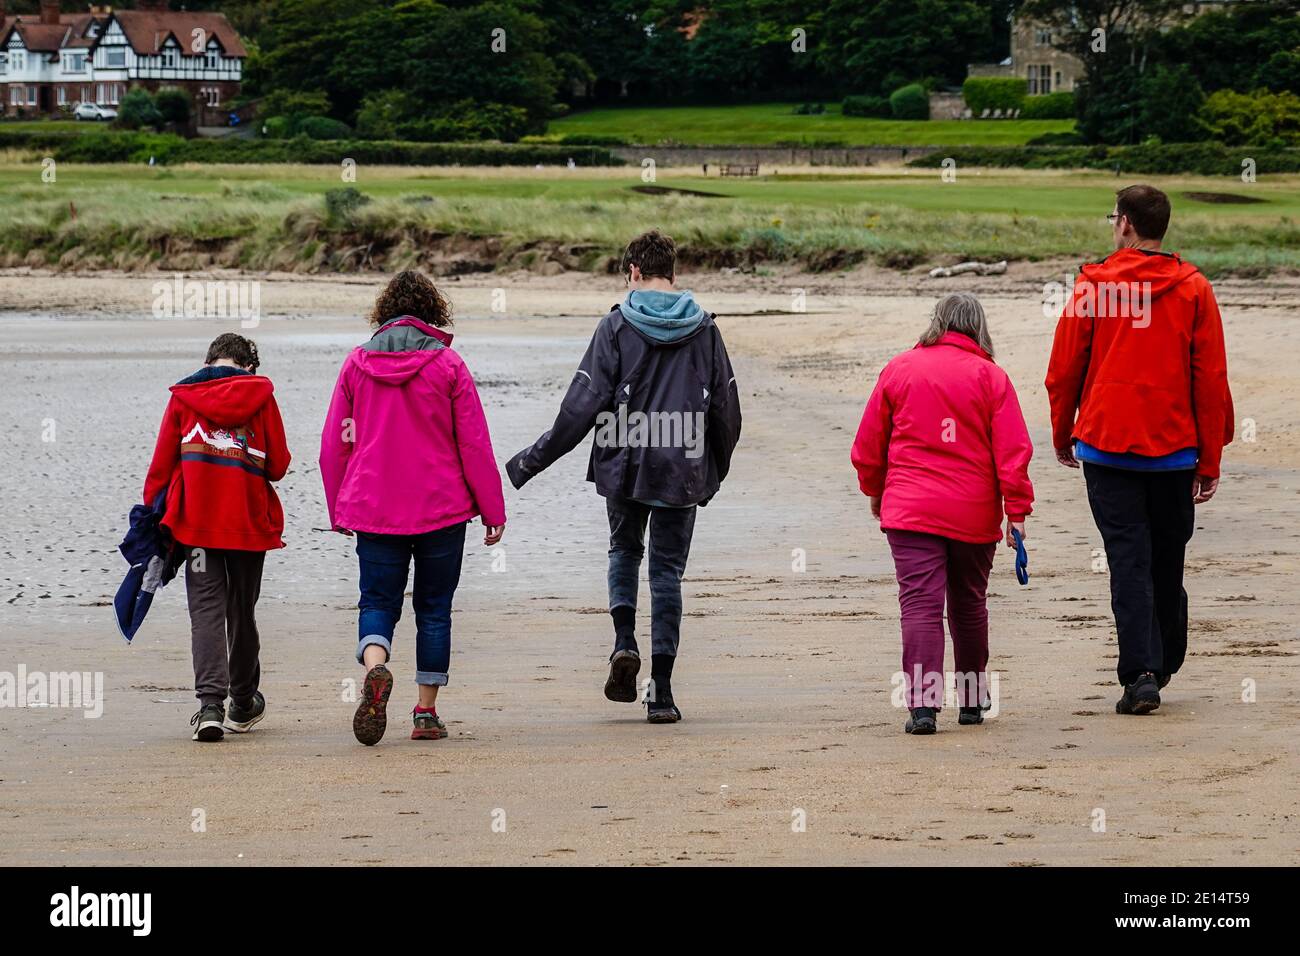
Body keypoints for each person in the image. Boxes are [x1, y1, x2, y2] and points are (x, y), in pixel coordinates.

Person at [506, 230, 742, 723]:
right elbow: (726, 412)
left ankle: (623, 641)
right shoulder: (706, 331)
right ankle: (663, 692)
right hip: (683, 464)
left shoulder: (615, 327)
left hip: (625, 464)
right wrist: (712, 472)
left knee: (624, 551)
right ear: (672, 274)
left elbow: (580, 408)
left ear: (633, 271)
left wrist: (529, 462)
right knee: (667, 574)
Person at [1046, 184, 1232, 716]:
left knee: (1129, 563)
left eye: (1113, 218)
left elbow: (1063, 373)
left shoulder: (1094, 287)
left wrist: (1064, 433)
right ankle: (1158, 662)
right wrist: (1211, 457)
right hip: (1173, 449)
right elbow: (1210, 378)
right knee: (1166, 559)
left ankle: (1144, 672)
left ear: (1125, 223)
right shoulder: (1194, 288)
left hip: (1108, 447)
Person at [320, 271, 506, 746]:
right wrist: (492, 509)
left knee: (377, 601)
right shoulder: (449, 366)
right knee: (435, 610)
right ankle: (425, 713)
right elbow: (474, 444)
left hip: (374, 506)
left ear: (383, 314)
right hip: (441, 508)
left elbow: (334, 444)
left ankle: (377, 668)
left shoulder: (355, 365)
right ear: (432, 314)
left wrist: (338, 506)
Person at [852, 293, 1033, 735]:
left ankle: (922, 706)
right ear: (979, 329)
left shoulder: (900, 369)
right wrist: (1017, 511)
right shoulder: (991, 377)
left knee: (920, 605)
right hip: (972, 512)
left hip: (910, 508)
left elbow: (868, 444)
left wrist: (875, 490)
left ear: (937, 323)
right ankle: (971, 701)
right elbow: (1013, 451)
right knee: (969, 604)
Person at [142, 333, 290, 742]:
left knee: (206, 611)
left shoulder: (184, 397)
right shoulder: (262, 397)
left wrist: (150, 517)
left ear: (209, 361)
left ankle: (210, 706)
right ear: (248, 366)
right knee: (241, 610)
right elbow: (278, 465)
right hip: (247, 526)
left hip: (196, 529)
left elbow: (159, 467)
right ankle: (242, 701)